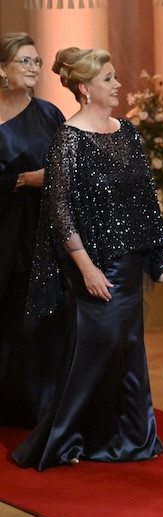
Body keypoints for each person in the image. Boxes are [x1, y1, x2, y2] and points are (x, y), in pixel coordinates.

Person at [13, 47, 163, 470]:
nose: (118, 85)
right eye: (108, 79)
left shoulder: (127, 131)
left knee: (129, 348)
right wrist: (86, 268)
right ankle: (65, 438)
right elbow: (59, 211)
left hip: (130, 260)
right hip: (95, 264)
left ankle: (132, 437)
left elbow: (145, 194)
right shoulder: (68, 140)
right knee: (94, 352)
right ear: (85, 88)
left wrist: (159, 246)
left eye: (115, 77)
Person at [0, 32, 66, 427]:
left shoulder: (50, 115)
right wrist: (24, 180)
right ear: (2, 69)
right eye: (25, 61)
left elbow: (67, 169)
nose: (34, 68)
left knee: (41, 322)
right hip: (5, 231)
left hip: (43, 232)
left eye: (37, 61)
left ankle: (40, 407)